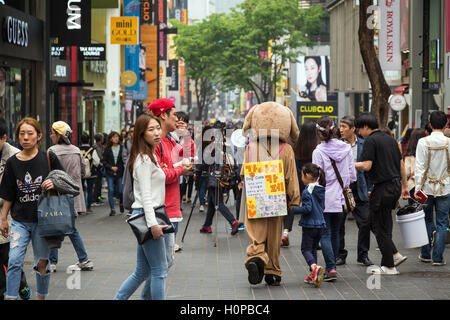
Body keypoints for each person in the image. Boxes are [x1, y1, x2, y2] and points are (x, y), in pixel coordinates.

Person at [0, 117, 63, 300]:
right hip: (19, 221)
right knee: (13, 261)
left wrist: (54, 182)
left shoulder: (48, 158)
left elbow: (66, 181)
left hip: (44, 221)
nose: (25, 137)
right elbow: (9, 194)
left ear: (39, 136)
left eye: (30, 133)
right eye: (22, 134)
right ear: (17, 137)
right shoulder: (12, 162)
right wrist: (3, 218)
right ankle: (12, 297)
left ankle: (41, 297)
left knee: (41, 263)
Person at [113, 114, 169, 300]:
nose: (156, 132)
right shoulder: (144, 159)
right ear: (141, 134)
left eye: (157, 128)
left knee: (142, 271)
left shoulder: (149, 156)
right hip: (147, 216)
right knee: (159, 270)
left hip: (146, 215)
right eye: (151, 129)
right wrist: (153, 225)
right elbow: (145, 195)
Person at [355, 112, 410, 275]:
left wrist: (350, 164)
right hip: (394, 188)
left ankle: (390, 264)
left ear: (365, 127)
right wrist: (404, 186)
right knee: (383, 224)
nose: (358, 132)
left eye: (359, 129)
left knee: (376, 225)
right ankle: (393, 257)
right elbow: (401, 165)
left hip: (382, 188)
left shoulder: (370, 140)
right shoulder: (390, 139)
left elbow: (367, 165)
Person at [147, 99, 192, 265]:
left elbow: (188, 156)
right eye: (174, 114)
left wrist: (185, 135)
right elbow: (160, 175)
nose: (177, 119)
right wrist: (180, 170)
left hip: (171, 208)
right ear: (163, 116)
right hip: (161, 209)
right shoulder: (156, 144)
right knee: (163, 264)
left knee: (159, 265)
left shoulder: (171, 140)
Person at [312, 116, 356, 281]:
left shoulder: (318, 152)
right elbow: (352, 175)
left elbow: (316, 179)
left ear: (319, 132)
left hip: (324, 197)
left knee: (325, 233)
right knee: (336, 232)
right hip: (341, 197)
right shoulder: (346, 148)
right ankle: (333, 266)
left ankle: (331, 268)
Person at [48, 121, 94, 272]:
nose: (51, 136)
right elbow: (82, 172)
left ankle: (54, 262)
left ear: (58, 135)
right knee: (70, 228)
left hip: (56, 195)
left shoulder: (51, 151)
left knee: (55, 227)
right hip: (73, 195)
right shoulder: (76, 150)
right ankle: (83, 259)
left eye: (53, 133)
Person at [0, 119, 31, 300]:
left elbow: (19, 190)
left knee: (10, 259)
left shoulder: (15, 157)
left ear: (4, 137)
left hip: (10, 216)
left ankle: (21, 285)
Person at [415, 111, 450, 266]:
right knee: (442, 222)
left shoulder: (423, 142)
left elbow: (420, 167)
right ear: (445, 125)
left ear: (430, 125)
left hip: (426, 188)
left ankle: (425, 254)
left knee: (426, 220)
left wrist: (417, 188)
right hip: (445, 187)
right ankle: (438, 258)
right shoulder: (449, 142)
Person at [337, 116, 373, 267]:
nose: (341, 129)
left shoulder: (365, 144)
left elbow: (370, 168)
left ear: (353, 129)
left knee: (365, 222)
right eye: (340, 126)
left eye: (344, 126)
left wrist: (370, 188)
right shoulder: (337, 145)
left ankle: (363, 255)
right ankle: (340, 254)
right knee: (339, 223)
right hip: (341, 189)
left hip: (359, 188)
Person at [196, 126, 242, 235]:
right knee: (213, 203)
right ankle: (207, 225)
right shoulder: (225, 146)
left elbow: (204, 163)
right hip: (222, 178)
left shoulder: (211, 148)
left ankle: (233, 222)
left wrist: (197, 171)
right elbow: (234, 163)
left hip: (213, 178)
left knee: (218, 202)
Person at [282, 120, 320, 247]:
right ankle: (315, 238)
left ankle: (285, 232)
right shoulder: (317, 146)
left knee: (292, 204)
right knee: (314, 206)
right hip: (314, 179)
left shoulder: (296, 145)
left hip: (298, 178)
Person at [292, 163, 326, 288]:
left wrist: (294, 210)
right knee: (313, 249)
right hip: (320, 224)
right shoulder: (320, 189)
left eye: (302, 175)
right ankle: (313, 274)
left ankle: (314, 267)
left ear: (307, 175)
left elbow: (307, 208)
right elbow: (322, 207)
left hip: (309, 225)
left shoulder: (307, 191)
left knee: (305, 249)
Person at [102, 131, 125, 216]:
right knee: (111, 190)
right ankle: (112, 209)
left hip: (120, 172)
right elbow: (103, 161)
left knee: (120, 191)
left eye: (117, 137)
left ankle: (121, 203)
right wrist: (111, 167)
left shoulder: (122, 148)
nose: (116, 138)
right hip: (110, 173)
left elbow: (124, 159)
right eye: (114, 137)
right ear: (111, 139)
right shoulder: (107, 149)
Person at [79, 133, 100, 214]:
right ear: (89, 140)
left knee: (81, 190)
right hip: (91, 173)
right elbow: (97, 162)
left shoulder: (77, 149)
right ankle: (88, 208)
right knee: (90, 190)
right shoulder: (92, 150)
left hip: (80, 173)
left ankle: (81, 207)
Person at [404, 128, 426, 203]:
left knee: (414, 211)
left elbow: (406, 172)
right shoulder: (427, 153)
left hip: (412, 185)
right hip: (426, 185)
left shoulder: (409, 155)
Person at [92, 133, 105, 205]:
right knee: (98, 183)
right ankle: (96, 198)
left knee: (97, 183)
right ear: (101, 139)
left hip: (95, 167)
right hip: (98, 167)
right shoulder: (98, 147)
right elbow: (100, 157)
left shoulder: (94, 146)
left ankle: (97, 197)